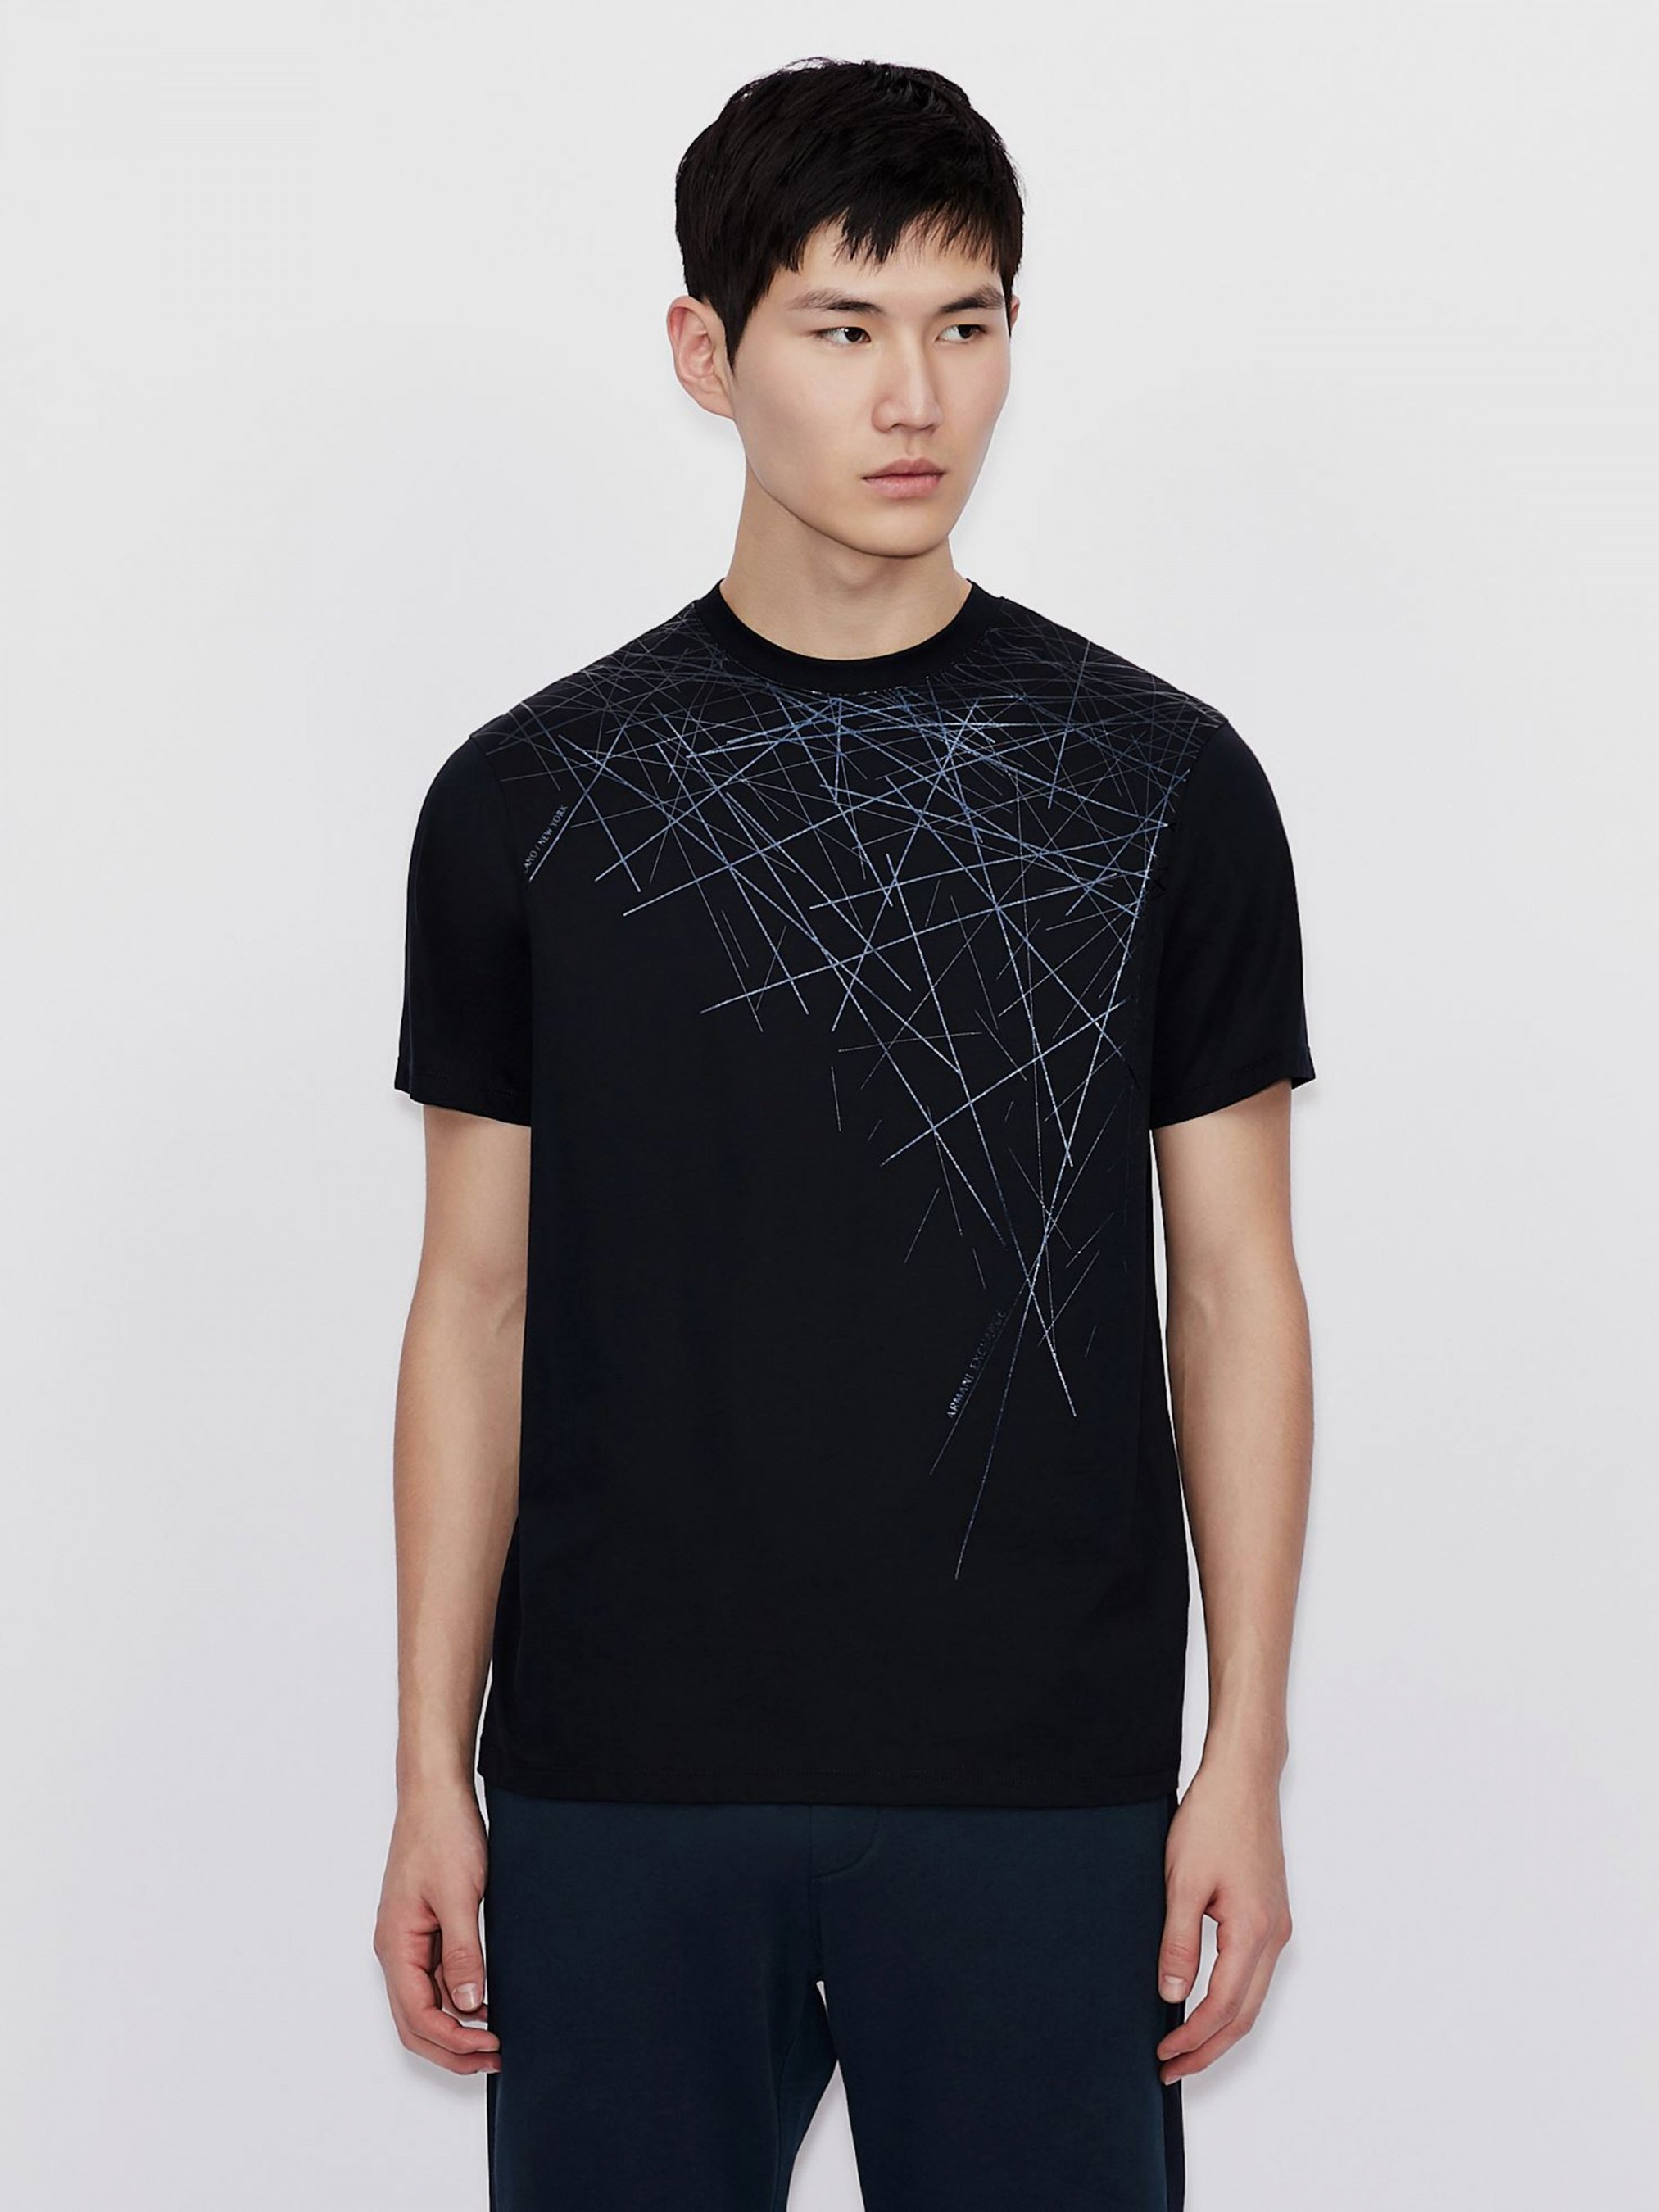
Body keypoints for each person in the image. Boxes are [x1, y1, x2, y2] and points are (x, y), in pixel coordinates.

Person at [374, 54, 1317, 2212]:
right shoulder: (523, 801)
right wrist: (431, 1763)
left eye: (966, 324)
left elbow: (1236, 1283)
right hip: (620, 1781)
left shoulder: (1165, 782)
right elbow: (472, 1300)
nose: (916, 398)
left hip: (1040, 1784)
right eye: (844, 325)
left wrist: (1241, 1754)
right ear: (705, 352)